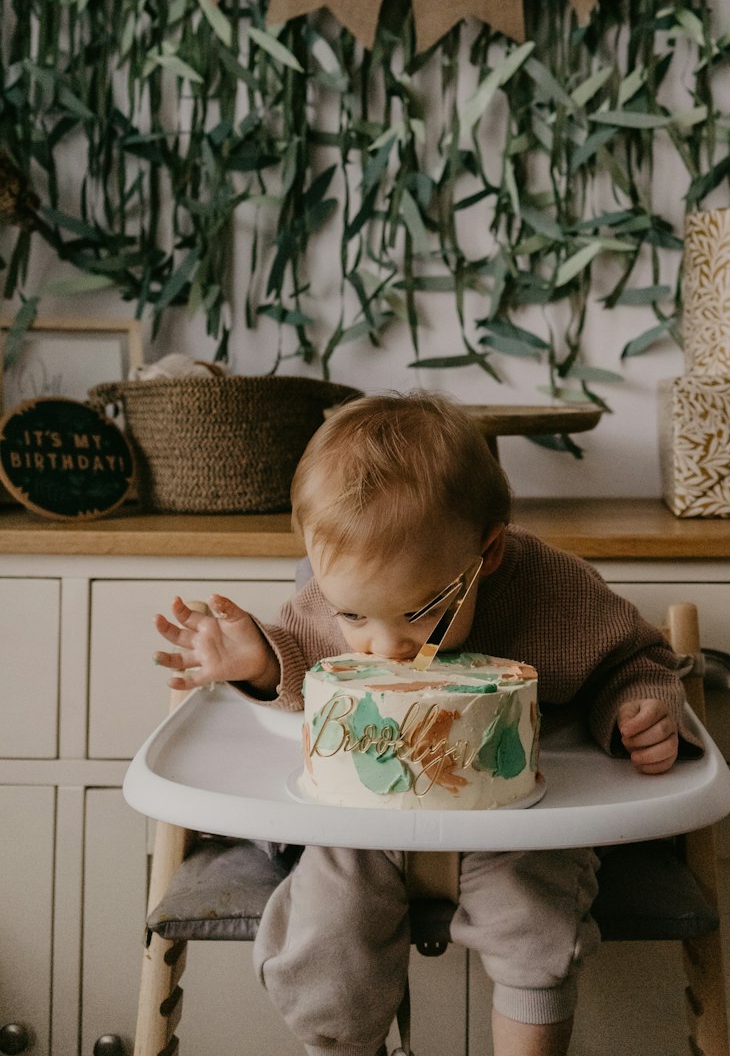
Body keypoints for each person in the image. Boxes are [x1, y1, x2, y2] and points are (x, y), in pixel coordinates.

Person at [153, 392, 699, 1056]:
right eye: (355, 617)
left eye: (416, 613)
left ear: (488, 552)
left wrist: (639, 706)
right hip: (362, 821)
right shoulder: (333, 598)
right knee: (326, 933)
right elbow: (295, 662)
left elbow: (633, 657)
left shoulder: (556, 595)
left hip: (514, 820)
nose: (382, 646)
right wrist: (256, 663)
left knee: (536, 921)